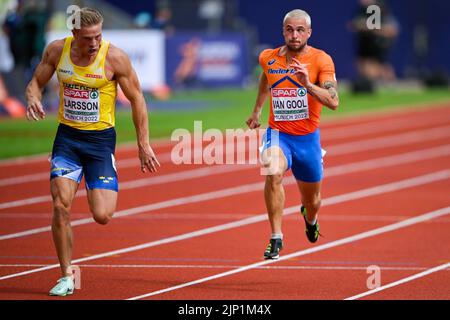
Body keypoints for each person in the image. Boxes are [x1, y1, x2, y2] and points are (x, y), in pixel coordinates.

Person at [25, 7, 160, 296]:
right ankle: (66, 275)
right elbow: (36, 82)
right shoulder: (56, 51)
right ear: (74, 34)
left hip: (100, 144)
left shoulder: (114, 58)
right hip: (68, 140)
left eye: (99, 35)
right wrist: (32, 98)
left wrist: (143, 144)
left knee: (102, 215)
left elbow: (138, 99)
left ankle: (94, 179)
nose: (95, 43)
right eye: (88, 38)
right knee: (61, 205)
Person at [246, 9, 338, 260]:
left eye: (300, 30)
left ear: (309, 32)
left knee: (313, 201)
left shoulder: (322, 60)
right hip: (278, 134)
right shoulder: (267, 57)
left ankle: (310, 219)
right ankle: (276, 237)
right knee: (272, 170)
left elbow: (334, 102)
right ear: (283, 31)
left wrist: (308, 85)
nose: (294, 35)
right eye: (289, 29)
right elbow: (266, 79)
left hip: (307, 140)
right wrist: (257, 111)